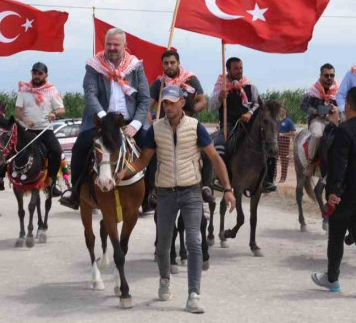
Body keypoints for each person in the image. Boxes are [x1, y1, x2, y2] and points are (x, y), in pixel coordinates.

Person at [116, 86, 236, 314]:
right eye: (165, 103)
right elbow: (143, 161)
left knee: (193, 241)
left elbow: (215, 159)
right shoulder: (155, 129)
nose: (168, 107)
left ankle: (194, 294)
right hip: (165, 193)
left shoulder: (195, 127)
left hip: (191, 191)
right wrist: (124, 172)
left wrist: (228, 189)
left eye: (172, 103)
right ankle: (164, 279)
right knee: (163, 246)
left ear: (182, 102)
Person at [60, 28, 150, 210]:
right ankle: (75, 193)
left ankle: (151, 195)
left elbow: (144, 98)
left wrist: (135, 124)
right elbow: (90, 94)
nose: (112, 48)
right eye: (108, 44)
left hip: (129, 121)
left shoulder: (136, 66)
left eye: (116, 44)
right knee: (80, 147)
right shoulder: (94, 65)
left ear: (125, 46)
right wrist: (103, 121)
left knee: (152, 147)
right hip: (101, 120)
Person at [311, 87, 356, 299]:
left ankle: (332, 280)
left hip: (346, 192)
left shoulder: (343, 130)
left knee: (336, 235)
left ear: (349, 105)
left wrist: (332, 190)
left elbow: (339, 162)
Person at [148, 50, 209, 207]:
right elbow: (147, 107)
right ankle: (151, 192)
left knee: (209, 151)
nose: (169, 66)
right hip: (164, 127)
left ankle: (207, 186)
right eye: (166, 63)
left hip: (188, 125)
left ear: (178, 63)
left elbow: (202, 101)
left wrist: (191, 111)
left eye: (172, 62)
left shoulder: (190, 79)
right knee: (149, 153)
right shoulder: (159, 84)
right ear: (162, 65)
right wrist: (152, 123)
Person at [207, 57, 276, 193]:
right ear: (228, 70)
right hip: (229, 125)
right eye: (236, 68)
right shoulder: (222, 87)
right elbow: (210, 107)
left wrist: (250, 113)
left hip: (249, 126)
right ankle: (221, 178)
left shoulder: (250, 86)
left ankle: (267, 180)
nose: (239, 71)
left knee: (270, 143)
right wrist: (220, 97)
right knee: (220, 143)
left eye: (241, 68)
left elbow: (258, 104)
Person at [15, 62, 65, 193]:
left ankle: (51, 183)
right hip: (26, 130)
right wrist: (25, 119)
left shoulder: (52, 90)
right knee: (7, 147)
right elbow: (18, 111)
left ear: (46, 75)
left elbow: (61, 109)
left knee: (56, 151)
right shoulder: (23, 89)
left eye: (40, 73)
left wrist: (54, 113)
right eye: (34, 73)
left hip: (44, 129)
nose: (36, 76)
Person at [300, 63, 339, 165]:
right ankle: (310, 162)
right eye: (326, 75)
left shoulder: (339, 92)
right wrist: (315, 111)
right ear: (321, 76)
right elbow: (303, 106)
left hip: (335, 119)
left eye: (332, 75)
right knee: (317, 135)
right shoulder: (313, 91)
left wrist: (336, 109)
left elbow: (344, 106)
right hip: (318, 120)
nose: (329, 78)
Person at [277, 107, 296, 183]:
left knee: (284, 161)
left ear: (285, 111)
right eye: (280, 110)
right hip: (276, 143)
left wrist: (283, 134)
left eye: (282, 110)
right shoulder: (277, 121)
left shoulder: (289, 121)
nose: (281, 112)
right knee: (273, 160)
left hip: (284, 143)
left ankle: (283, 178)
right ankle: (273, 177)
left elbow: (294, 132)